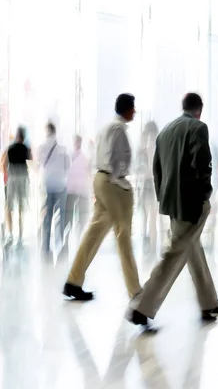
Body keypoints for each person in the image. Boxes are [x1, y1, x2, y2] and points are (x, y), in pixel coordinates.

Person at [127, 93, 218, 330]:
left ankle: (209, 303)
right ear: (199, 110)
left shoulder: (165, 132)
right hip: (192, 204)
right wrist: (206, 193)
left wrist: (164, 199)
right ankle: (141, 307)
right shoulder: (198, 128)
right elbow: (202, 163)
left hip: (173, 205)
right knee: (174, 254)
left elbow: (157, 170)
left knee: (193, 250)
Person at [63, 93, 141, 301]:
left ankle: (73, 281)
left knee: (95, 232)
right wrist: (120, 182)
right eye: (133, 107)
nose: (135, 111)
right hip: (112, 183)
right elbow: (113, 160)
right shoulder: (118, 130)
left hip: (101, 180)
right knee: (123, 235)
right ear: (126, 109)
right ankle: (135, 291)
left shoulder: (107, 127)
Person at [38, 122, 70, 257]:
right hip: (61, 185)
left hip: (48, 185)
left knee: (48, 217)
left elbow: (40, 164)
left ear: (46, 131)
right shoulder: (63, 149)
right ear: (55, 132)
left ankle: (46, 247)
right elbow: (68, 166)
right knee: (62, 216)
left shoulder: (41, 148)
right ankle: (61, 243)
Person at [62, 135, 92, 254]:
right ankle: (77, 240)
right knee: (80, 218)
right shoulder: (84, 158)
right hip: (81, 191)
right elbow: (89, 174)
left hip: (71, 191)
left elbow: (64, 172)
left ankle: (67, 241)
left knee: (69, 217)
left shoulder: (69, 157)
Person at [2, 127, 32, 247]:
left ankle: (10, 233)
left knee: (9, 207)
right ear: (24, 137)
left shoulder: (10, 147)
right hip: (23, 178)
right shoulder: (26, 148)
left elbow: (4, 163)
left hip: (12, 178)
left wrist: (6, 177)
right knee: (21, 207)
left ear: (16, 135)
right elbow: (31, 162)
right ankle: (20, 236)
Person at [136, 121, 159, 248]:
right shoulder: (157, 148)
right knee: (151, 217)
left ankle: (148, 243)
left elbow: (140, 169)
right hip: (153, 184)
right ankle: (151, 247)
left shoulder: (144, 149)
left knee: (146, 217)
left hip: (147, 184)